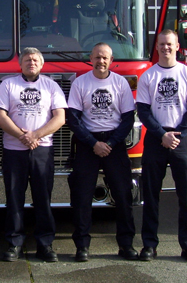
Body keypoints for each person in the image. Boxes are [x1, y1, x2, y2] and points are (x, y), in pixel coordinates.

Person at [0, 47, 67, 262]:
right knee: (14, 198)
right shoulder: (8, 85)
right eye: (27, 60)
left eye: (35, 60)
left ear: (41, 64)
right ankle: (14, 243)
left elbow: (60, 117)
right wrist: (21, 136)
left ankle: (45, 244)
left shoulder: (51, 86)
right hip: (14, 151)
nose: (31, 63)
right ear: (20, 64)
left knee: (43, 198)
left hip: (42, 150)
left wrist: (36, 135)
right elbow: (0, 116)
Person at [136, 29, 187, 263]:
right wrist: (162, 135)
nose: (166, 47)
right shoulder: (148, 76)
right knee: (151, 196)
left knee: (186, 195)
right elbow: (143, 111)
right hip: (156, 141)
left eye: (170, 44)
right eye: (162, 44)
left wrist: (178, 134)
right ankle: (149, 245)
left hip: (182, 140)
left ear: (177, 46)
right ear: (157, 47)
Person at [67, 43, 137, 262]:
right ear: (91, 58)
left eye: (105, 58)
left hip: (114, 144)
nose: (101, 61)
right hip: (87, 143)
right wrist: (92, 143)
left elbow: (128, 119)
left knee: (123, 196)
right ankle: (82, 246)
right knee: (81, 197)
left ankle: (126, 245)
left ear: (111, 60)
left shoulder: (120, 84)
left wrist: (112, 143)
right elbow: (73, 119)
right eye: (97, 57)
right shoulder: (80, 83)